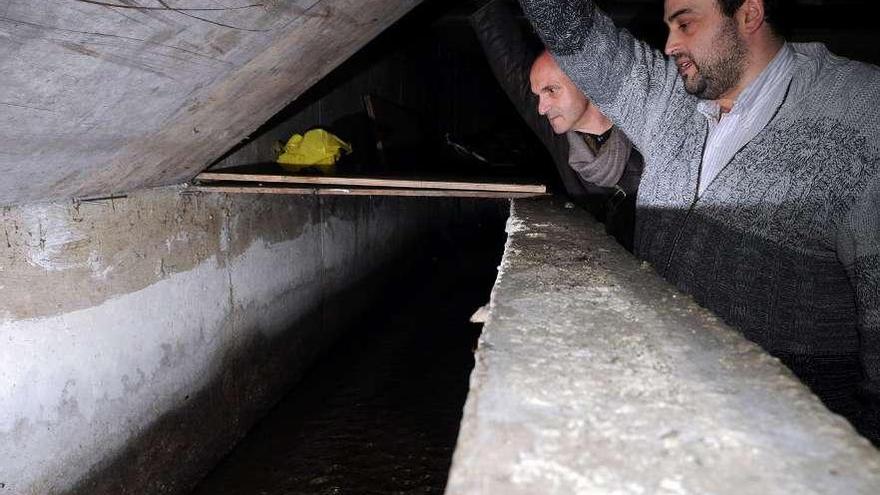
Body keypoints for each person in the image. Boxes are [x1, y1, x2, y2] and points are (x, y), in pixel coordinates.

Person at [519, 0, 880, 444]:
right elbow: (577, 35)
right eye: (670, 27)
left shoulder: (861, 110)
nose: (670, 44)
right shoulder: (669, 101)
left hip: (785, 440)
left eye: (686, 24)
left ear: (749, 15)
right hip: (662, 412)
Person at [470, 0, 643, 252]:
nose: (541, 107)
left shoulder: (648, 127)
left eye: (551, 90)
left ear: (586, 80)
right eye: (538, 94)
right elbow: (511, 67)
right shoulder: (562, 138)